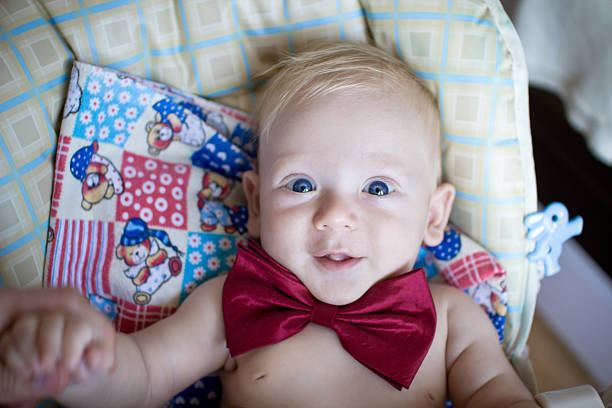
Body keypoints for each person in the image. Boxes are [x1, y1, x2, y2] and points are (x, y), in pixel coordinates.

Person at [0, 42, 538, 407]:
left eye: (377, 188)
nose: (334, 216)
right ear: (255, 204)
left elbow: (502, 397)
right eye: (301, 185)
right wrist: (84, 366)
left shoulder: (451, 318)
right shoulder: (234, 302)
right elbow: (142, 378)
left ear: (433, 216)